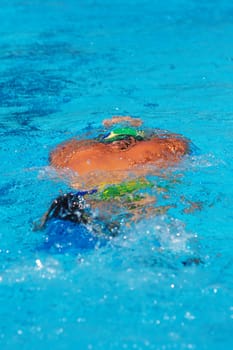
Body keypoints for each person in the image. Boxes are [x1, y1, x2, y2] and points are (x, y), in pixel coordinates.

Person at [37, 116, 191, 252]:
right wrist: (142, 127)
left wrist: (102, 129)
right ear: (136, 140)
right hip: (138, 194)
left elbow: (56, 152)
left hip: (89, 197)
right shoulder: (158, 149)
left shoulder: (77, 154)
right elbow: (181, 142)